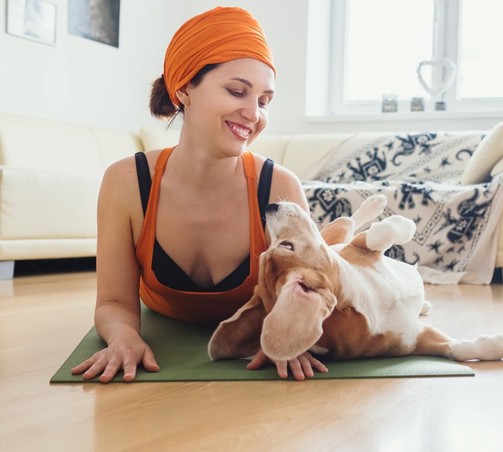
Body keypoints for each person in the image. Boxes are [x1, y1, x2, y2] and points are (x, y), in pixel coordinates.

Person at [71, 6, 327, 383]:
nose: (253, 113)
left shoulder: (280, 188)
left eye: (264, 101)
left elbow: (309, 290)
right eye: (237, 91)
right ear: (184, 88)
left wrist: (293, 334)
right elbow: (113, 303)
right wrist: (124, 335)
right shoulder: (127, 181)